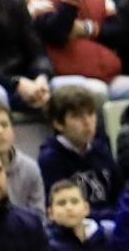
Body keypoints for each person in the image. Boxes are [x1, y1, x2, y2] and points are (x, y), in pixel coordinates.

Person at [38, 84, 122, 218]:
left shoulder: (101, 149)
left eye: (90, 114)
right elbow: (60, 210)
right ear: (58, 123)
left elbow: (120, 193)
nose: (87, 122)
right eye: (77, 116)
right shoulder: (50, 159)